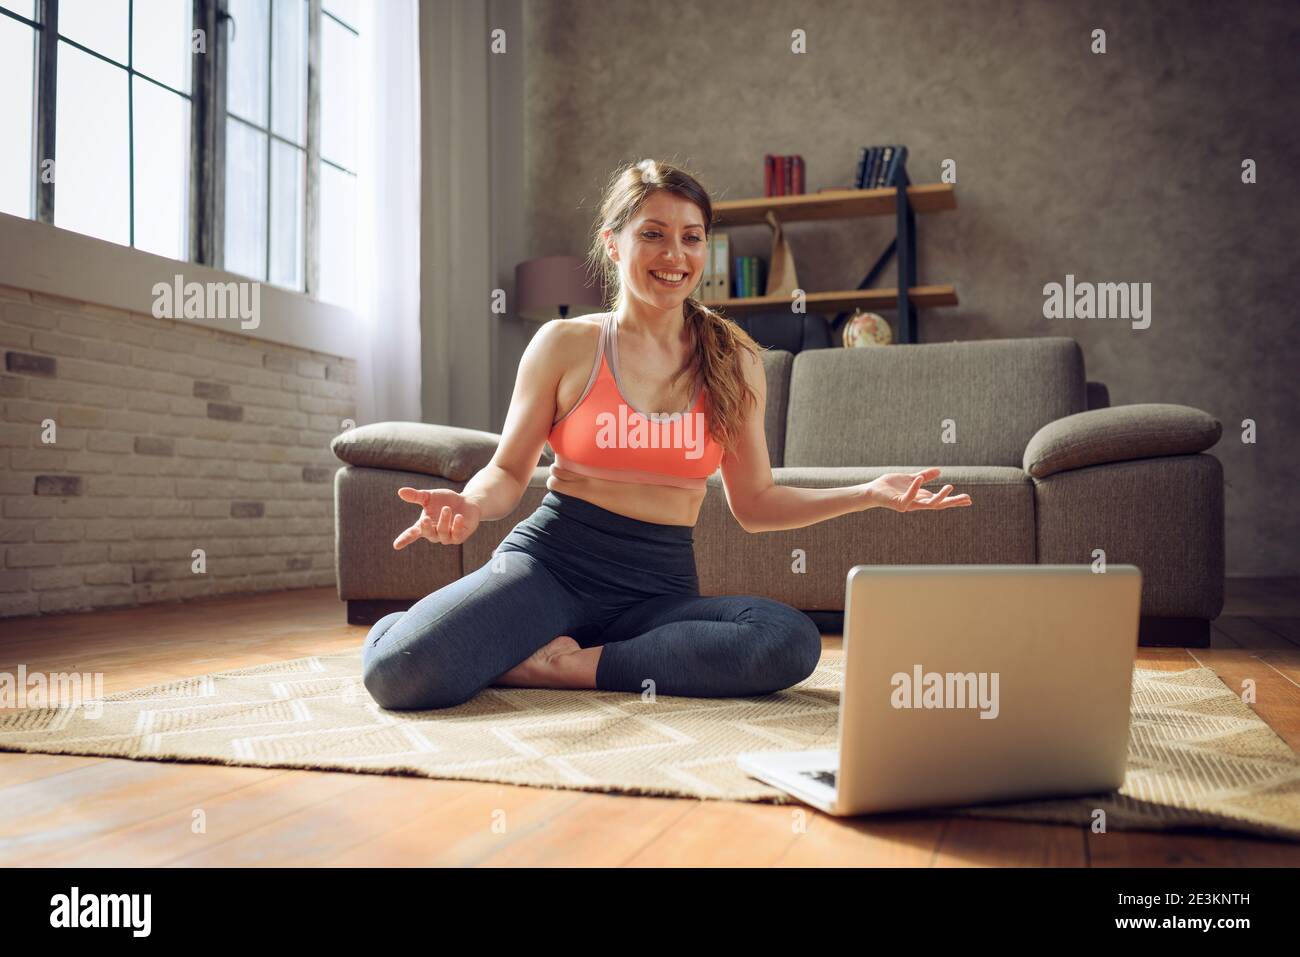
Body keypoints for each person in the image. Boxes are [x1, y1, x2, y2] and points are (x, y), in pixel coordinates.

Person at [361, 159, 971, 710]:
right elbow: (508, 471)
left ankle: (563, 667)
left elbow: (756, 505)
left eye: (691, 237)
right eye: (651, 233)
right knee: (398, 671)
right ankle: (430, 626)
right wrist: (469, 503)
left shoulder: (733, 357)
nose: (673, 254)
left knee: (786, 641)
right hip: (550, 568)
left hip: (659, 590)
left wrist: (868, 492)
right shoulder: (565, 345)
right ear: (613, 244)